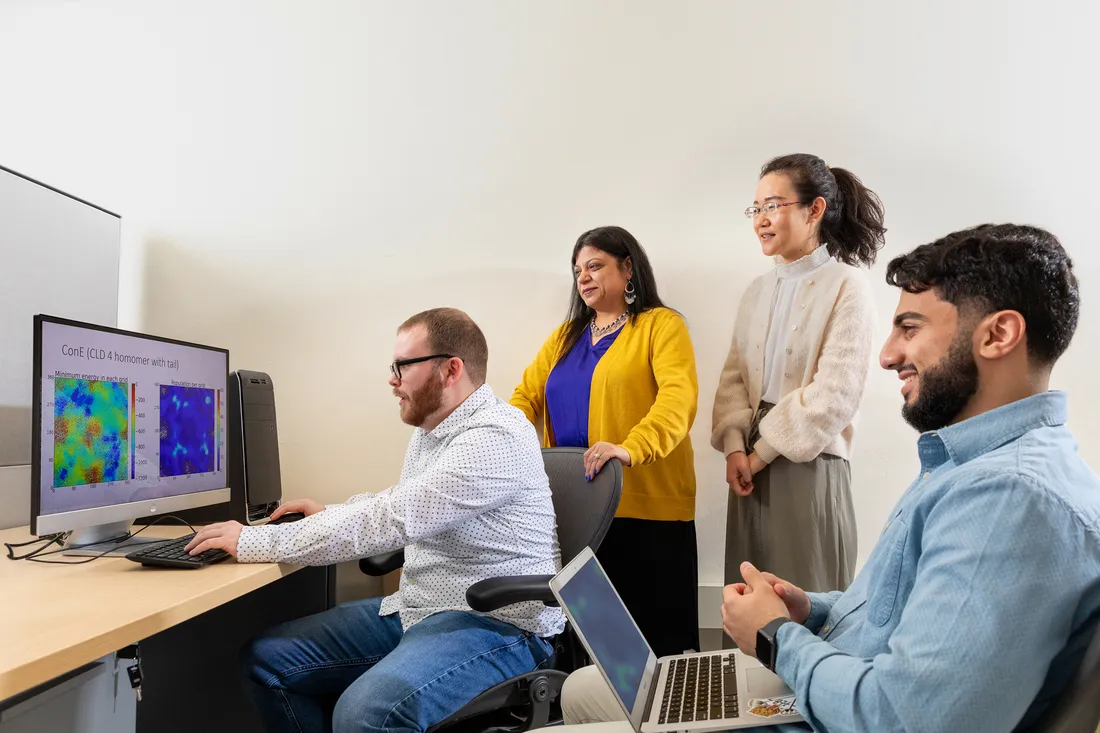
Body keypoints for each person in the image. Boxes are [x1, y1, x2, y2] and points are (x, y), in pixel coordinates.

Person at [560, 223, 1100, 732]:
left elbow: (900, 717)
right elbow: (896, 613)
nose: (888, 355)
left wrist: (775, 635)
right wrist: (810, 608)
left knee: (589, 702)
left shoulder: (1009, 498)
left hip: (823, 711)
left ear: (999, 334)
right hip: (825, 679)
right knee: (587, 687)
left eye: (909, 328)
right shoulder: (972, 465)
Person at [184, 308, 566, 733]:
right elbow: (399, 504)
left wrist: (251, 542)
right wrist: (331, 512)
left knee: (366, 713)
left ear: (451, 369)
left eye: (403, 365)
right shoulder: (435, 430)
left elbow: (390, 520)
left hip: (498, 626)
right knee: (267, 661)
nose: (392, 379)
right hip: (420, 607)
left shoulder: (492, 437)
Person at [510, 225, 700, 657]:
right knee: (598, 652)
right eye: (578, 270)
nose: (584, 278)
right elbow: (525, 397)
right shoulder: (565, 337)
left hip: (646, 512)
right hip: (576, 512)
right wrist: (507, 443)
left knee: (656, 650)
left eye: (595, 265)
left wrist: (630, 447)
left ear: (627, 267)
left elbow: (678, 400)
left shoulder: (660, 326)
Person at [711, 153, 886, 598]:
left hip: (809, 463)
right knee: (747, 600)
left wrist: (761, 454)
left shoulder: (848, 285)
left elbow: (835, 395)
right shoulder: (757, 290)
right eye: (756, 209)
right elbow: (734, 380)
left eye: (773, 205)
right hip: (748, 464)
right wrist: (735, 448)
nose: (761, 220)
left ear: (815, 210)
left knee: (804, 601)